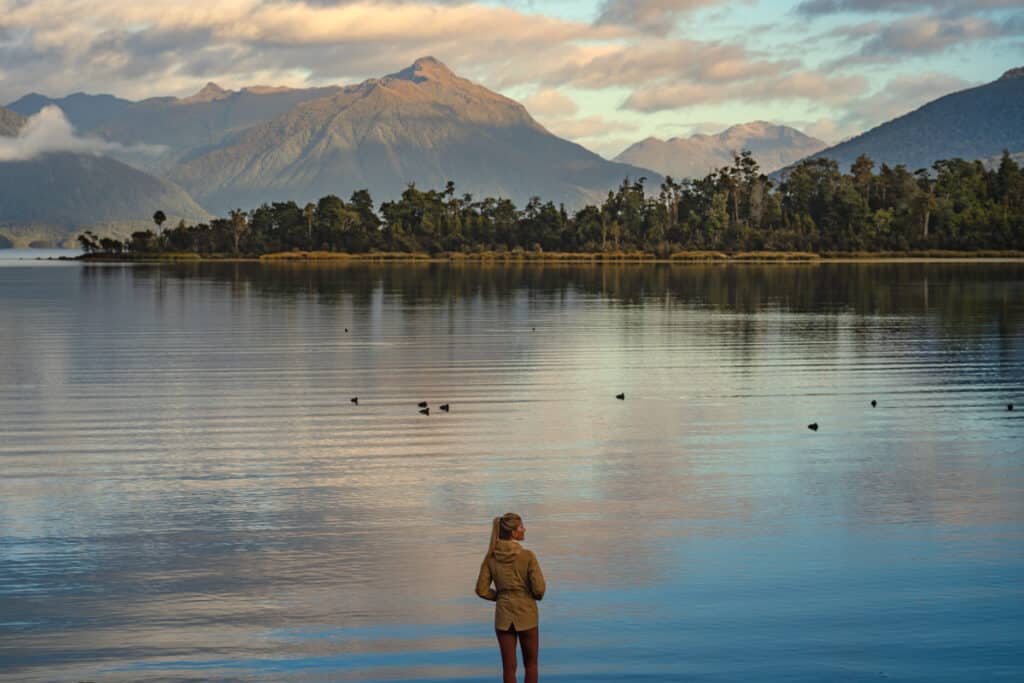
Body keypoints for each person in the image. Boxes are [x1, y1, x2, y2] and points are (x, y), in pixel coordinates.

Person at [476, 512, 546, 683]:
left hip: (503, 616)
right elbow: (539, 590)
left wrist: (500, 596)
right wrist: (531, 595)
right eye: (521, 527)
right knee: (531, 665)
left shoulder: (491, 557)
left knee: (508, 668)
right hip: (527, 614)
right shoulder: (528, 556)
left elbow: (481, 590)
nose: (524, 529)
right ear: (514, 533)